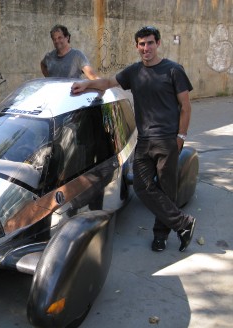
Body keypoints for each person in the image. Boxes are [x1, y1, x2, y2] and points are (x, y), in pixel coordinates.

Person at [71, 26, 196, 252]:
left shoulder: (173, 70)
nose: (146, 48)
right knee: (142, 186)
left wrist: (180, 137)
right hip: (145, 140)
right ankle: (182, 223)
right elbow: (108, 82)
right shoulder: (134, 72)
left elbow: (186, 106)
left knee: (166, 189)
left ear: (158, 43)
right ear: (137, 46)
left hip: (167, 139)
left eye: (149, 43)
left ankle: (161, 235)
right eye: (141, 44)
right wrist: (86, 84)